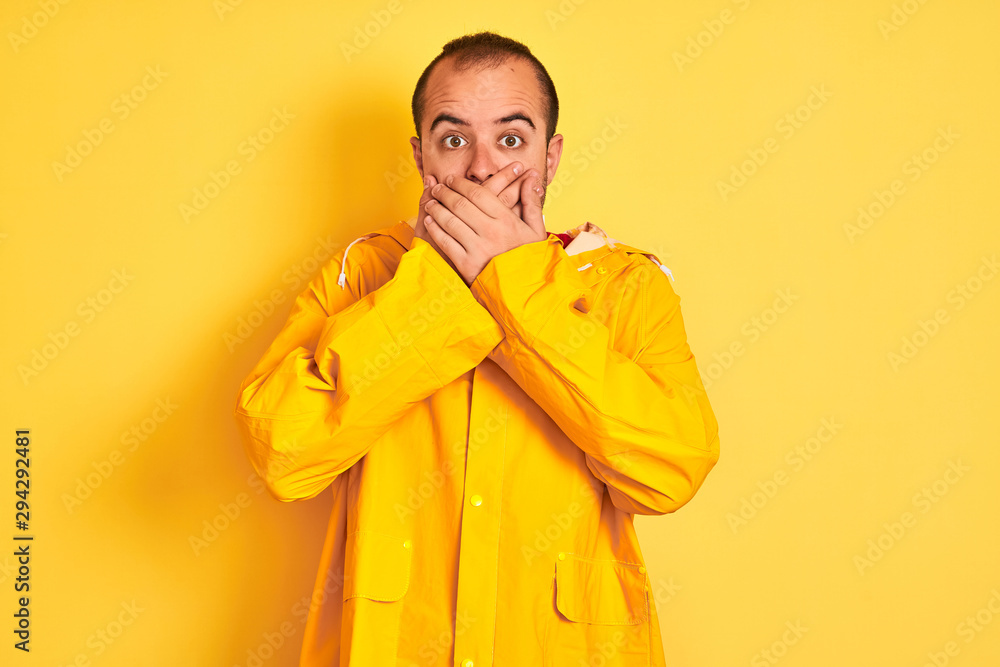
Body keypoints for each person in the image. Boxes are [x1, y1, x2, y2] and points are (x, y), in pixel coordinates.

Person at [233, 30, 720, 667]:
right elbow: (283, 454)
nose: (483, 168)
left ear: (552, 155)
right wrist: (438, 288)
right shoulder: (363, 275)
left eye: (512, 139)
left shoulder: (627, 285)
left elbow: (670, 471)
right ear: (420, 157)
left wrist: (512, 285)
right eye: (454, 139)